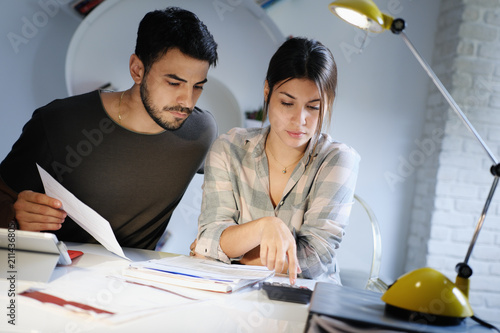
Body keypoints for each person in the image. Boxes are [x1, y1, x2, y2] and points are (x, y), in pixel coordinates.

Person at [0, 7, 218, 250]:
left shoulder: (200, 133)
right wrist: (14, 217)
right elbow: (4, 197)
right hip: (56, 274)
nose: (187, 101)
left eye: (198, 86)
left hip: (135, 281)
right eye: (174, 83)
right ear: (137, 70)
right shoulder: (59, 121)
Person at [194, 37, 360, 285]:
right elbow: (210, 235)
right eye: (287, 103)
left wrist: (232, 253)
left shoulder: (338, 161)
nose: (299, 119)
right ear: (267, 91)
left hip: (306, 302)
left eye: (313, 107)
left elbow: (314, 261)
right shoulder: (229, 149)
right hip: (232, 296)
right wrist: (264, 227)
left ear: (329, 103)